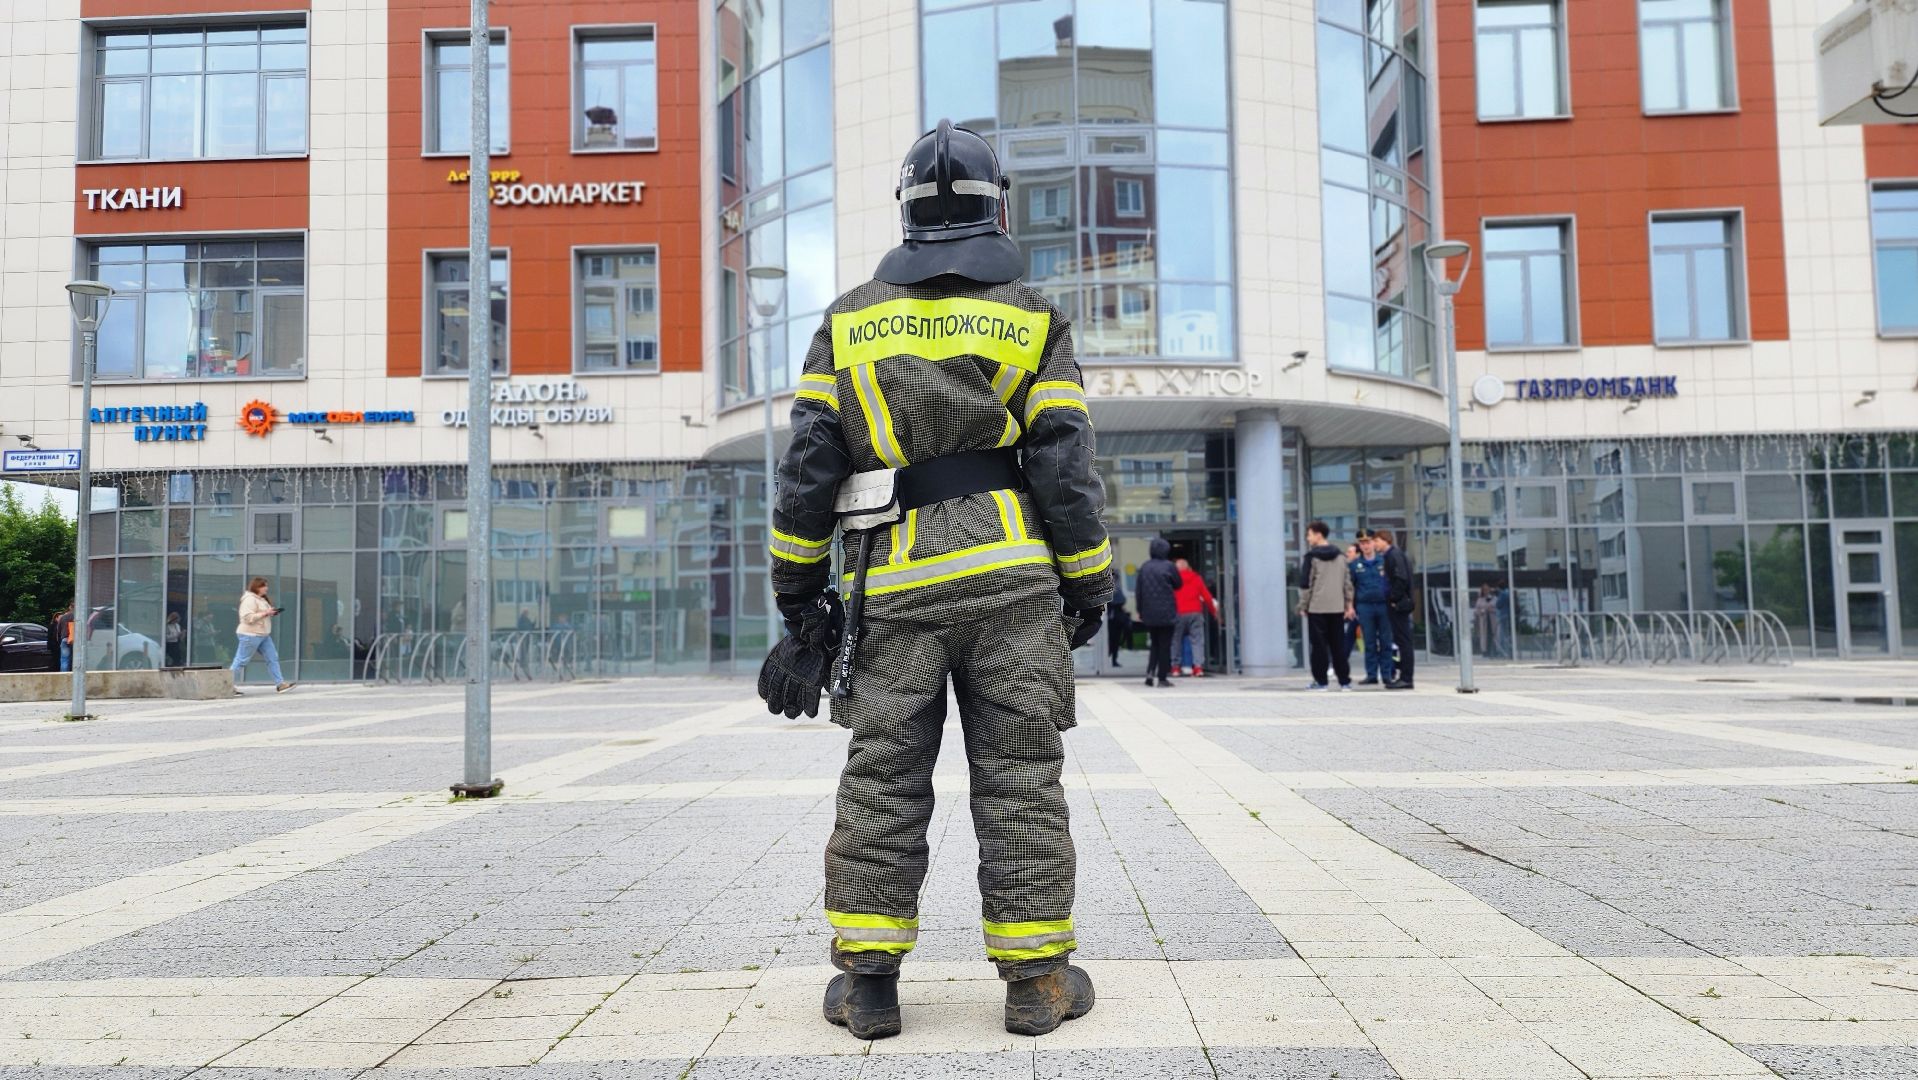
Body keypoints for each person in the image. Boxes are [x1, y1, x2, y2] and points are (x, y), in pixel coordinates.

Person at [755, 120, 1112, 1041]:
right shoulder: (1035, 315)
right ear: (998, 209)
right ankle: (1036, 980)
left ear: (906, 215)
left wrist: (799, 596)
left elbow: (809, 470)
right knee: (1022, 779)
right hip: (1011, 582)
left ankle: (869, 987)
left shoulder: (848, 318)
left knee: (881, 782)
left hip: (895, 589)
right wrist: (1090, 584)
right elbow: (1064, 469)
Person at [1297, 521, 1354, 691]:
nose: (1308, 538)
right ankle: (1344, 681)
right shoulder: (1341, 557)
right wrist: (1348, 605)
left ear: (1318, 534)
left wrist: (1303, 605)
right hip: (1337, 608)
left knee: (1319, 647)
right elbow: (1347, 584)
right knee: (1338, 645)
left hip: (1317, 608)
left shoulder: (1311, 557)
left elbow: (1306, 584)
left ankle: (1321, 681)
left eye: (1309, 534)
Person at [232, 577, 294, 693]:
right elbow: (247, 618)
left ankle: (280, 684)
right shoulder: (249, 599)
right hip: (250, 635)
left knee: (272, 658)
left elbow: (262, 614)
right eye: (264, 586)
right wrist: (265, 613)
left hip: (263, 635)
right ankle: (226, 685)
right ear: (257, 587)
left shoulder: (261, 599)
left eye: (266, 585)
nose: (267, 588)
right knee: (241, 660)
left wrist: (271, 613)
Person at [1135, 538, 1182, 688]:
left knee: (1154, 644)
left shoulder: (1144, 567)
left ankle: (1150, 674)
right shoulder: (1169, 566)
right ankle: (1162, 678)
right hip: (1167, 612)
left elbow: (1139, 592)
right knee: (1164, 645)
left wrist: (1140, 611)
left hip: (1149, 613)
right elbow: (1178, 584)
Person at [1350, 533, 1394, 686]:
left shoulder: (1384, 561)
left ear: (1373, 543)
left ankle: (1387, 675)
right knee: (1369, 642)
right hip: (1365, 606)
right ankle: (1371, 675)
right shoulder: (1355, 565)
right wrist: (1350, 606)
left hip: (1383, 606)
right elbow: (1351, 587)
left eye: (1367, 542)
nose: (1365, 546)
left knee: (1385, 641)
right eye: (1362, 543)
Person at [1375, 528, 1416, 690]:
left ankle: (1406, 678)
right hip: (1397, 603)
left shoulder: (1394, 556)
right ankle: (1405, 677)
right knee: (1401, 640)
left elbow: (1401, 578)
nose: (1375, 544)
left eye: (1377, 541)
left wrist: (1393, 598)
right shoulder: (1391, 556)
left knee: (1403, 641)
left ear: (1385, 540)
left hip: (1398, 605)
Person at [1172, 557, 1221, 677]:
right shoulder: (1196, 578)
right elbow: (1207, 596)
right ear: (1188, 568)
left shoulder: (1173, 580)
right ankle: (1198, 667)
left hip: (1178, 612)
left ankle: (1175, 667)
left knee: (1176, 640)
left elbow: (1168, 597)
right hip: (1195, 612)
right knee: (1197, 641)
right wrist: (1213, 611)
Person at [1340, 543, 1363, 675]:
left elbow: (1351, 589)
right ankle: (1340, 666)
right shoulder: (1347, 568)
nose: (1347, 554)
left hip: (1360, 608)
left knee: (1371, 639)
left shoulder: (1358, 568)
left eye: (1350, 552)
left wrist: (1350, 607)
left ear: (1358, 554)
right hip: (1352, 609)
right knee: (1348, 638)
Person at [1105, 579, 1131, 668]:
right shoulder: (1111, 588)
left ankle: (1113, 659)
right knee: (1111, 640)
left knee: (1114, 640)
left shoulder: (1117, 588)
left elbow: (1122, 600)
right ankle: (1111, 659)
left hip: (1114, 618)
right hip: (1110, 618)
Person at [51, 604, 74, 673]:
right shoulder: (79, 616)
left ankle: (64, 675)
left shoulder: (63, 617)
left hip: (64, 639)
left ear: (70, 608)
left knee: (64, 659)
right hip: (75, 640)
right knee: (76, 659)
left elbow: (58, 630)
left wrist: (59, 640)